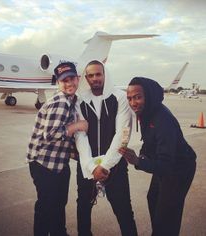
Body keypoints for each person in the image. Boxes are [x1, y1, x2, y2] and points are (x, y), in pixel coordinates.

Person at [119, 77, 196, 236]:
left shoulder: (162, 120)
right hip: (165, 165)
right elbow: (149, 141)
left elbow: (165, 165)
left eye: (138, 97)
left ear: (149, 95)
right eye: (130, 98)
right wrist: (142, 154)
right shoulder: (147, 112)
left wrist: (138, 161)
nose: (133, 103)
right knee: (153, 198)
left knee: (167, 213)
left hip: (179, 169)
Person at [76, 60, 138, 236]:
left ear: (105, 74)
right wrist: (91, 166)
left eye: (98, 74)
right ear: (86, 78)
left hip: (115, 167)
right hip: (88, 166)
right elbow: (80, 136)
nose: (95, 78)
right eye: (90, 75)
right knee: (83, 210)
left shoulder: (119, 98)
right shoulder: (80, 101)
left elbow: (123, 135)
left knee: (124, 211)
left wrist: (105, 165)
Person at [27, 62, 88, 236]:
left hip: (58, 163)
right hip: (44, 164)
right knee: (47, 206)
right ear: (58, 84)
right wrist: (78, 126)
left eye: (72, 79)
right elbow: (50, 135)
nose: (69, 83)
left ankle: (58, 232)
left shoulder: (71, 100)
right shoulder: (60, 102)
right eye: (64, 81)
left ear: (78, 79)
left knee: (57, 203)